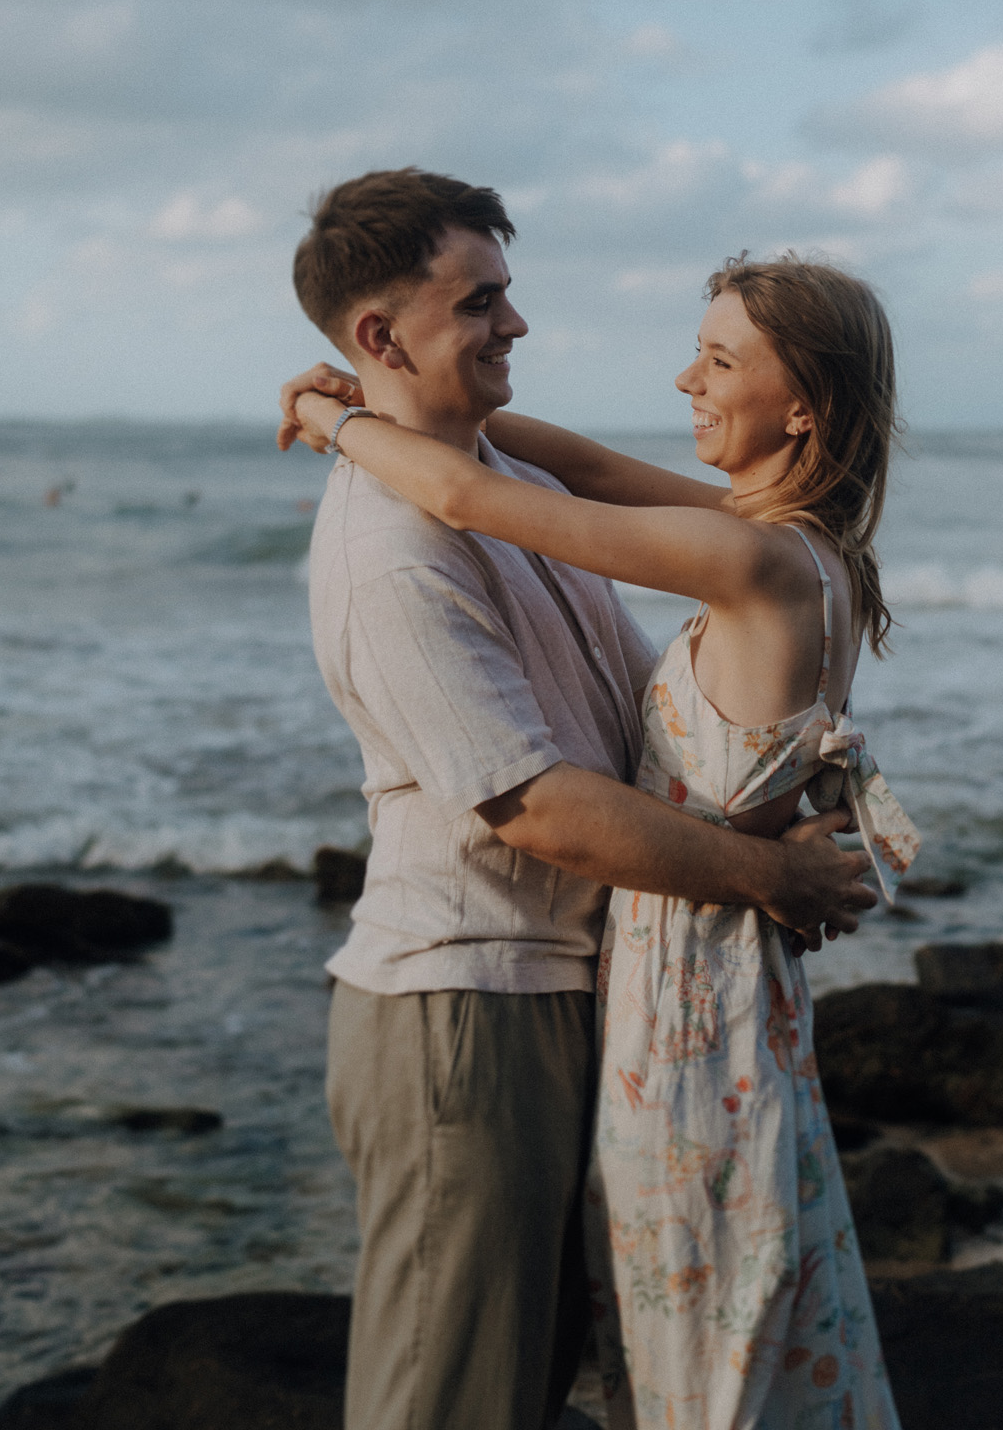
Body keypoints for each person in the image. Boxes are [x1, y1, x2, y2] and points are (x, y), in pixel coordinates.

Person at [285, 212, 915, 1430]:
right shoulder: (802, 551)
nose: (686, 378)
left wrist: (337, 416)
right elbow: (571, 466)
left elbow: (466, 493)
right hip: (698, 993)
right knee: (711, 1334)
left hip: (684, 1004)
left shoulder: (752, 564)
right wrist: (401, 401)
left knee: (696, 1357)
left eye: (720, 362)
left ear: (803, 410)